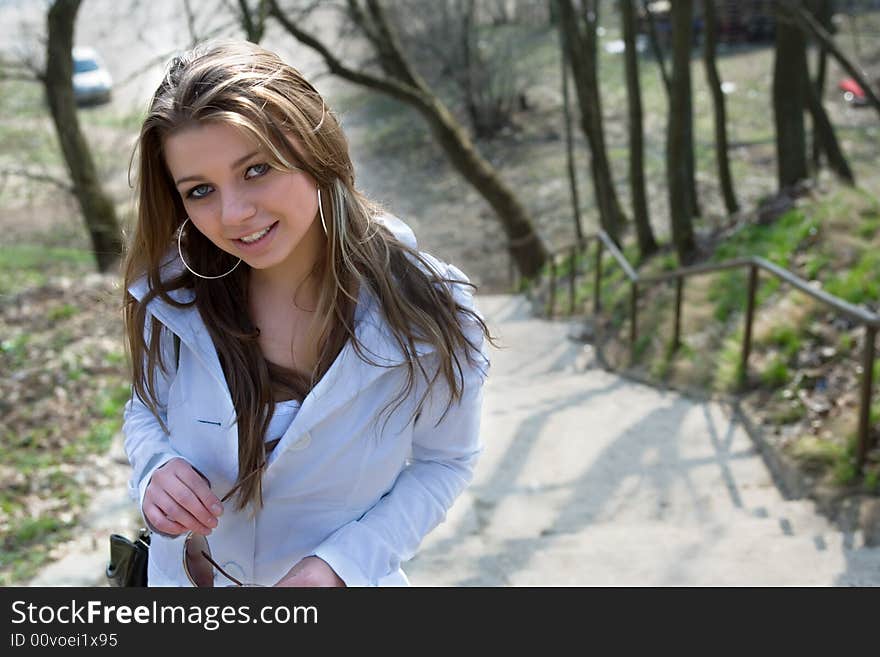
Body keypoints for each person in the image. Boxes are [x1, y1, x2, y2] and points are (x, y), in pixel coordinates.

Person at [121, 40, 493, 587]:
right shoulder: (175, 299)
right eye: (200, 190)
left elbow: (445, 463)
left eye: (256, 169)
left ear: (315, 148)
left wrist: (341, 566)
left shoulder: (433, 306)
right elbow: (145, 409)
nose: (233, 214)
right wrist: (155, 470)